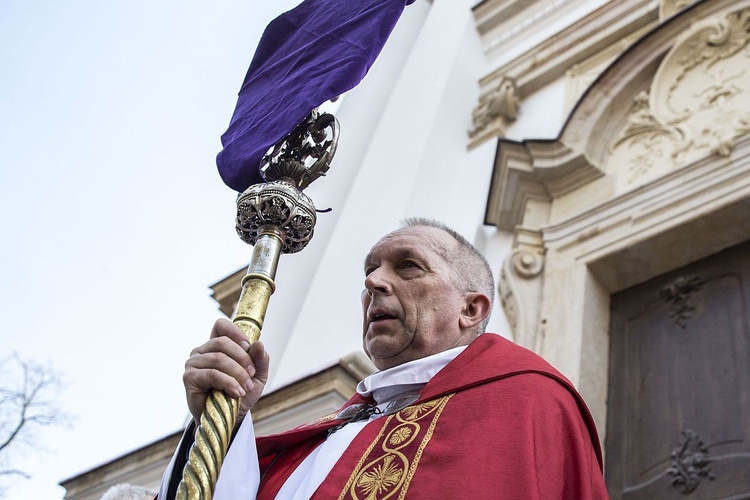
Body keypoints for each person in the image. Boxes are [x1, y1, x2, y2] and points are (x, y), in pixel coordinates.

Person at [159, 218, 608, 499]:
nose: (374, 281)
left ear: (471, 309)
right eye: (369, 270)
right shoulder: (331, 434)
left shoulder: (529, 402)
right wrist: (222, 423)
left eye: (408, 266)